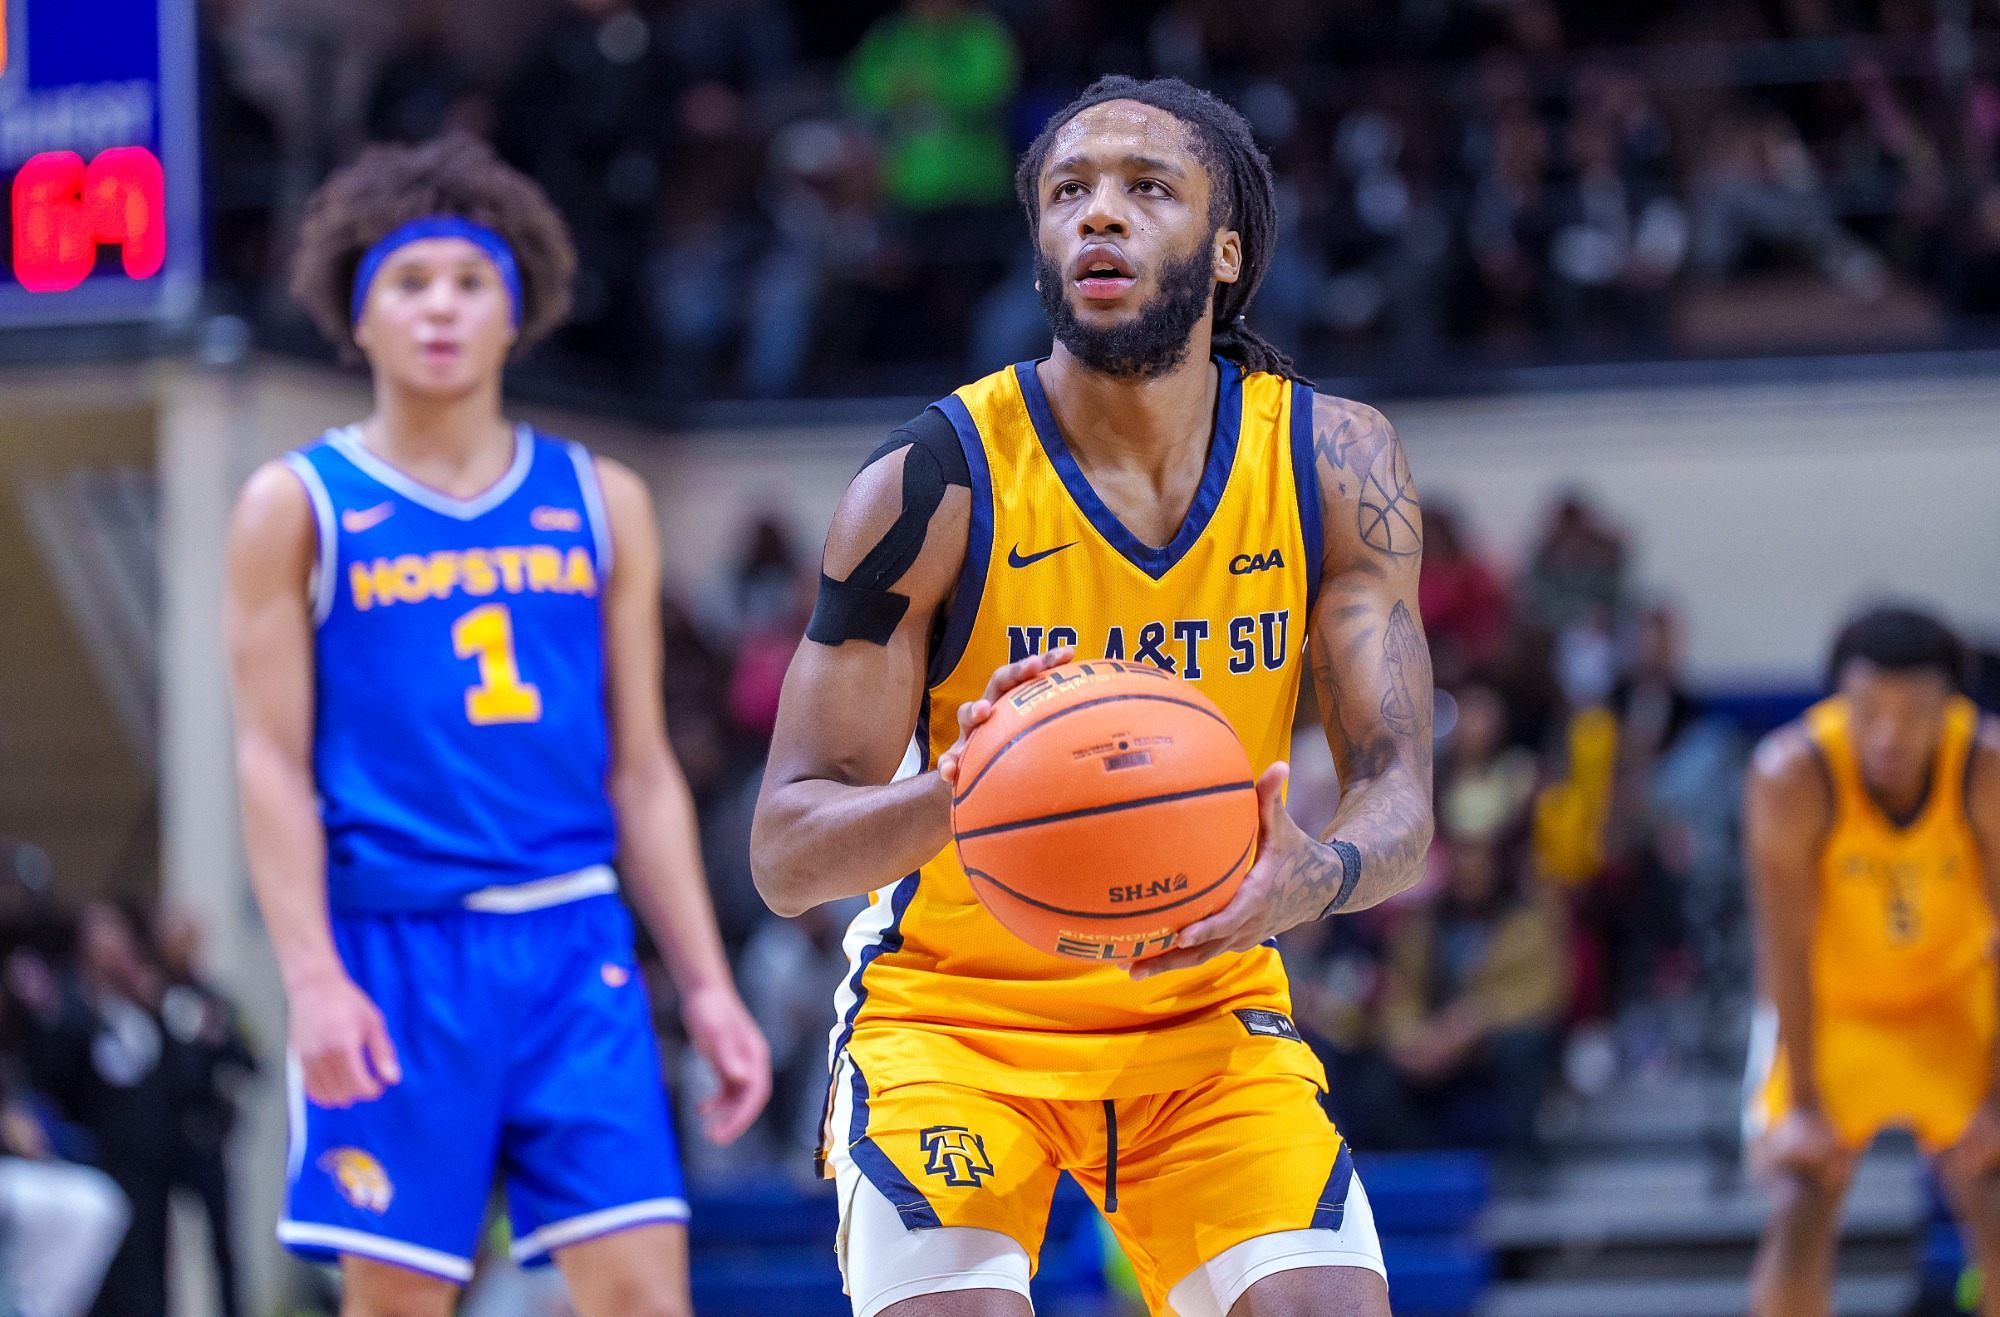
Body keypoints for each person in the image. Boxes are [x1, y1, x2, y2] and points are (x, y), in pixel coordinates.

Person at [753, 75, 1435, 1317]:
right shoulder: (929, 484)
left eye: (1145, 188)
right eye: (1068, 192)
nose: (1098, 216)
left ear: (1227, 252)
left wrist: (1314, 879)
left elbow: (1399, 793)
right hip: (955, 1018)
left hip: (1205, 1010)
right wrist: (959, 793)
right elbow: (786, 853)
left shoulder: (1334, 462)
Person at [224, 134, 769, 1317]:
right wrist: (311, 979)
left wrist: (710, 984)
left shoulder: (601, 497)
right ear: (353, 314)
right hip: (395, 953)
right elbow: (267, 761)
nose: (439, 310)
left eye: (469, 283)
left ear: (514, 312)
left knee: (642, 1298)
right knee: (402, 1307)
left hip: (575, 947)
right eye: (407, 283)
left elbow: (642, 770)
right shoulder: (297, 505)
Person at [1744, 606, 2000, 1317]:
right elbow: (1784, 950)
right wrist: (1802, 1110)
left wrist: (1998, 1099)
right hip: (1831, 1009)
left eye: (1914, 711)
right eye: (1866, 709)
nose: (1888, 733)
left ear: (1952, 707)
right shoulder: (1790, 775)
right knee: (1801, 1195)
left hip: (1953, 1002)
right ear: (1836, 702)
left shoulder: (1986, 768)